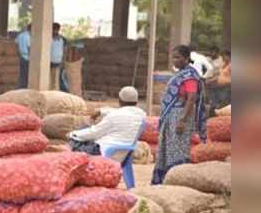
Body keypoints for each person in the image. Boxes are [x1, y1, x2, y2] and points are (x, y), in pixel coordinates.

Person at [151, 45, 207, 185]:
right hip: (172, 116)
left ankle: (178, 181)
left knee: (177, 150)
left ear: (187, 58)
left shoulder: (189, 76)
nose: (174, 60)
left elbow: (192, 97)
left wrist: (182, 120)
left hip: (180, 116)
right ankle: (165, 181)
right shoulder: (181, 73)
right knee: (168, 148)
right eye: (173, 57)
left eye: (178, 57)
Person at [68, 86, 147, 162]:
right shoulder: (141, 115)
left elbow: (95, 133)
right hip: (123, 153)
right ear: (136, 101)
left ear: (119, 100)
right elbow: (121, 112)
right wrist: (100, 111)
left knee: (75, 140)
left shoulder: (114, 116)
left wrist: (73, 134)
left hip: (102, 152)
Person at [206, 49, 231, 115]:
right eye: (222, 56)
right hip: (219, 87)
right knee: (216, 103)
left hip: (227, 87)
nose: (223, 57)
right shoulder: (223, 64)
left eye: (224, 56)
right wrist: (210, 81)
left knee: (223, 104)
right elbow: (219, 76)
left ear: (229, 56)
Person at [50, 23, 65, 90]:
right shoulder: (49, 39)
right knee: (50, 79)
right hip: (50, 61)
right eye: (54, 29)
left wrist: (62, 60)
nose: (55, 31)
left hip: (58, 61)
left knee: (56, 79)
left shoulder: (62, 39)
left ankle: (55, 93)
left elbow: (63, 50)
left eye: (57, 29)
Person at [15, 24, 31, 88]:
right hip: (27, 58)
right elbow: (29, 47)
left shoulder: (20, 35)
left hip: (21, 56)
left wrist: (18, 53)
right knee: (26, 75)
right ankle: (23, 87)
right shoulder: (29, 36)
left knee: (22, 74)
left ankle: (20, 87)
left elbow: (16, 44)